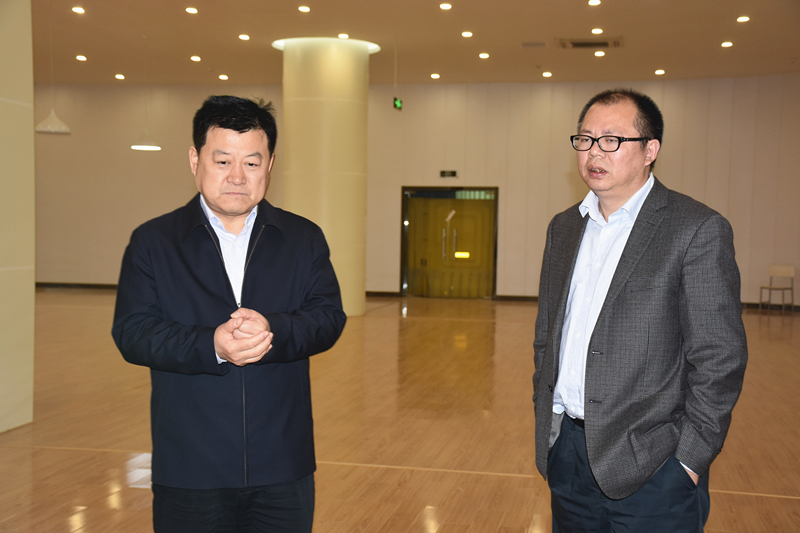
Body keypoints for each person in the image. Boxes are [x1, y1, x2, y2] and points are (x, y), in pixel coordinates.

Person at [112, 95, 346, 532]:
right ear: (195, 159)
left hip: (283, 465)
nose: (237, 176)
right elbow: (133, 331)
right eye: (222, 161)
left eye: (252, 163)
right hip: (189, 467)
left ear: (270, 164)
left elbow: (328, 317)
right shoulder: (154, 242)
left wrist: (273, 329)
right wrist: (212, 345)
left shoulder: (302, 238)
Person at [532, 88, 747, 532]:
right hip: (567, 455)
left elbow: (719, 358)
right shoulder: (564, 227)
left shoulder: (695, 229)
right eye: (585, 139)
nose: (594, 152)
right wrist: (549, 425)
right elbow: (547, 336)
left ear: (651, 150)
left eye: (611, 140)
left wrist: (688, 460)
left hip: (655, 465)